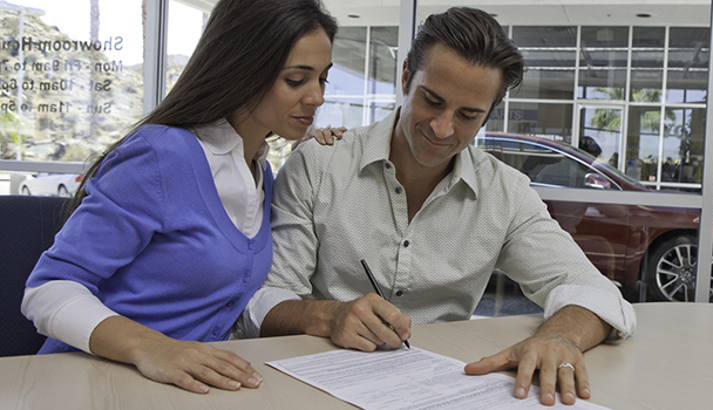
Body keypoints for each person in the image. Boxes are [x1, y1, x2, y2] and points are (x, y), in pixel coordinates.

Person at [237, 6, 636, 406]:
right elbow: (263, 300)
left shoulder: (505, 192)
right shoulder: (319, 164)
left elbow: (594, 290)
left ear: (488, 115)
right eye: (432, 100)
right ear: (407, 76)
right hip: (312, 386)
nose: (442, 128)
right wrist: (328, 316)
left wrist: (560, 336)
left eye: (467, 115)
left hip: (442, 393)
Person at [21, 0, 339, 395]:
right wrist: (152, 347)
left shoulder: (261, 172)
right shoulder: (162, 155)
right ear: (244, 68)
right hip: (85, 385)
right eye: (296, 80)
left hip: (175, 391)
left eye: (323, 79)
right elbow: (47, 289)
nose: (317, 98)